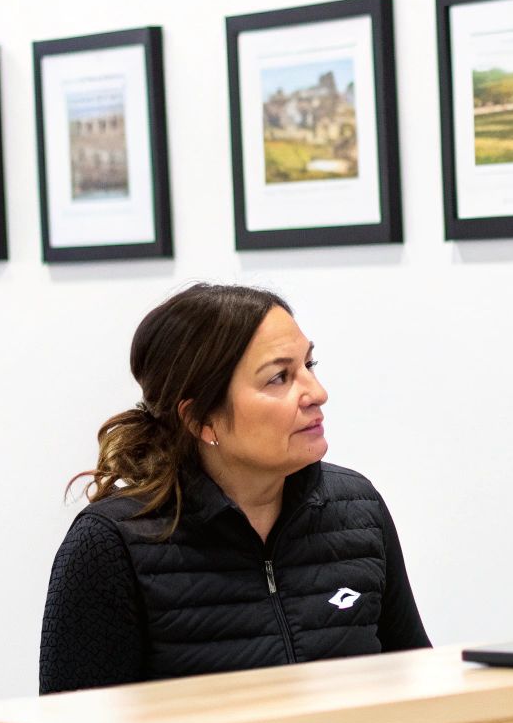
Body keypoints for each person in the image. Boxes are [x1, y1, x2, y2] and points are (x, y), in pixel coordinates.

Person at [40, 283, 428, 694]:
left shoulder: (358, 509)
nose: (317, 393)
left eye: (309, 365)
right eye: (279, 377)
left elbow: (416, 687)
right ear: (201, 420)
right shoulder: (111, 544)